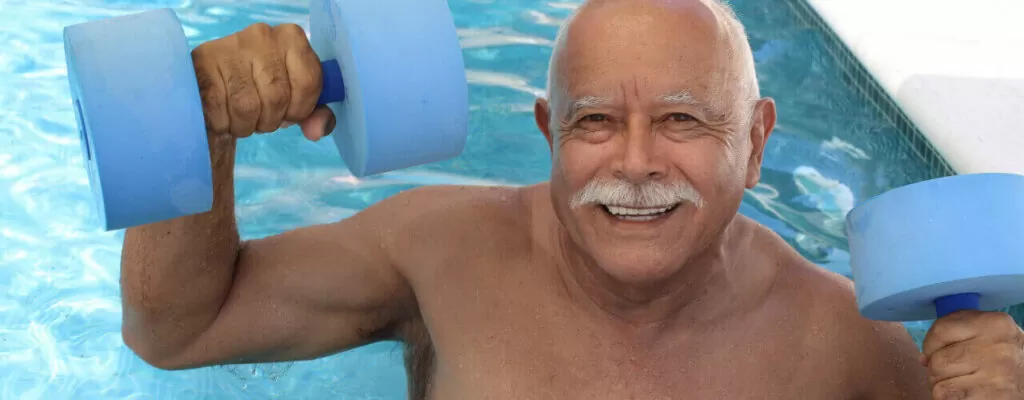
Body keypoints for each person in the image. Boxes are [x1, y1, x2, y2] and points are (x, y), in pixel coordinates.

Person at [119, 0, 1024, 398]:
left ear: (755, 144)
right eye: (595, 121)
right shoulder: (437, 252)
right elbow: (181, 332)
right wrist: (205, 130)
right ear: (548, 133)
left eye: (681, 119)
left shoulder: (840, 342)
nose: (635, 163)